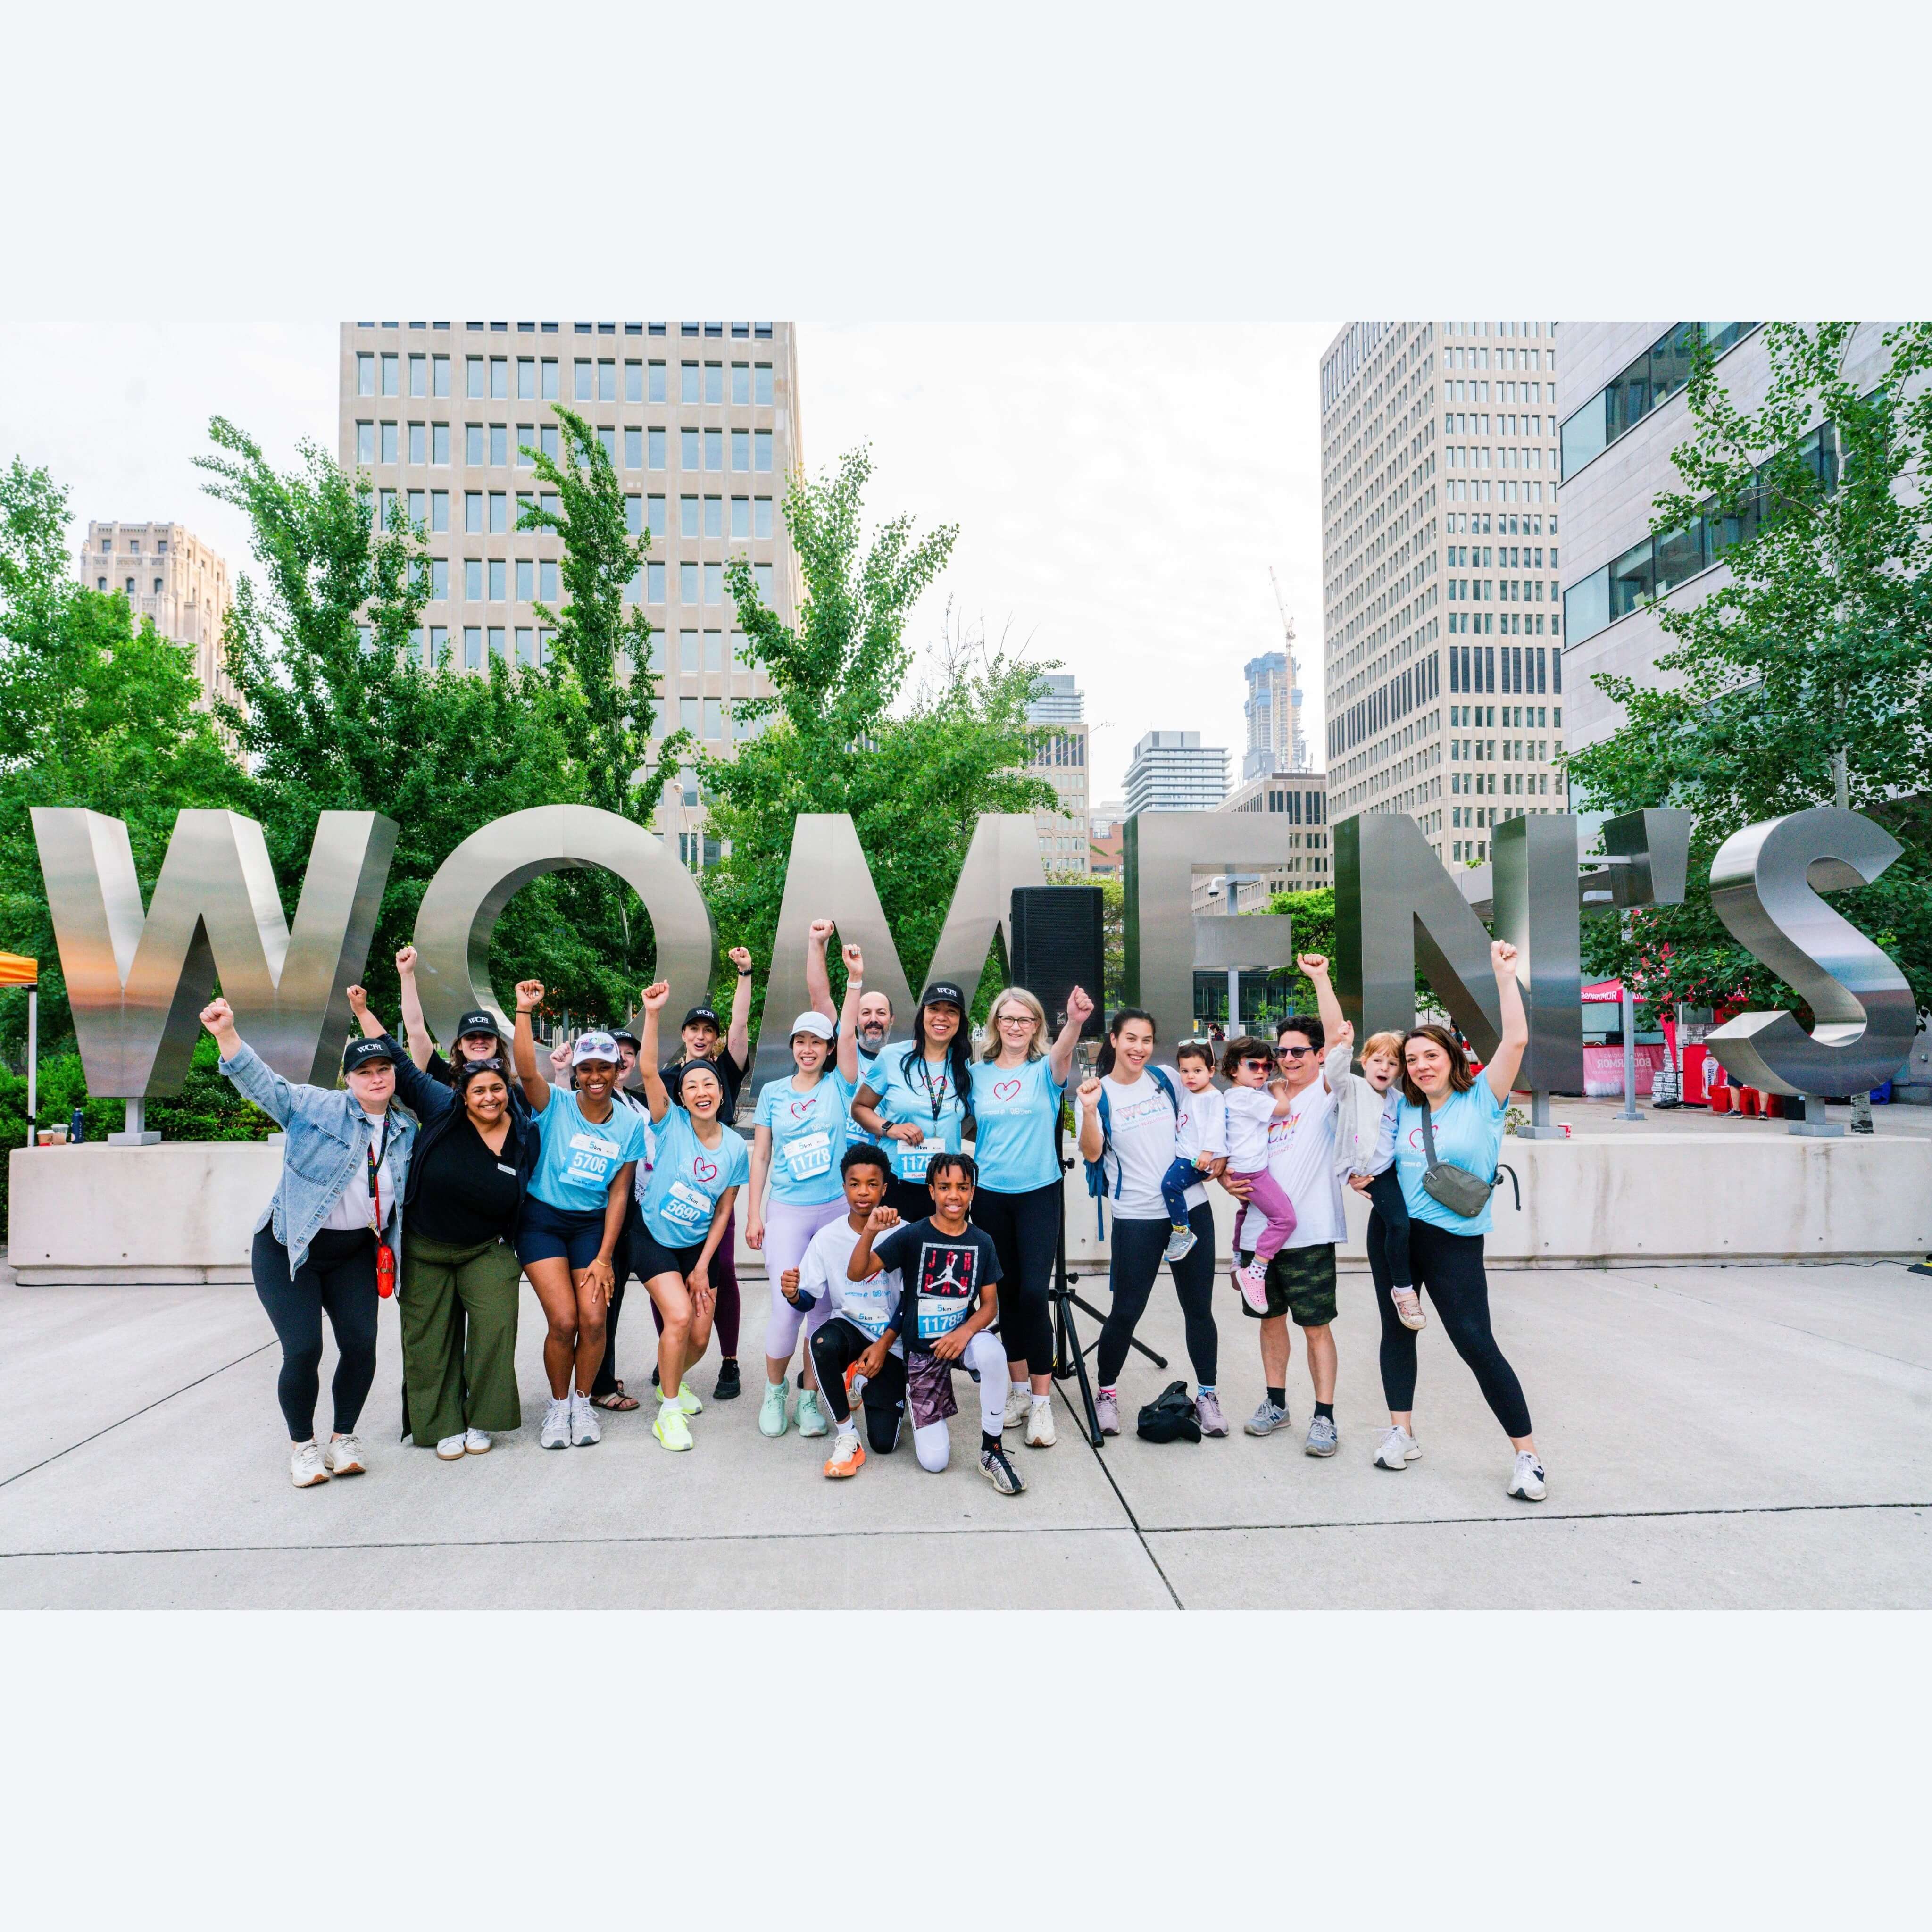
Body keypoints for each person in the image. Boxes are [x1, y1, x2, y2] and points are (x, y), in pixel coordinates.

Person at [203, 999, 415, 1489]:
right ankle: (303, 1447)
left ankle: (344, 1438)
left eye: (384, 1069)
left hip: (353, 1253)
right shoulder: (316, 1107)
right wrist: (227, 1034)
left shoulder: (405, 1129)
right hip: (289, 1249)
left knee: (360, 1346)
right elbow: (262, 1084)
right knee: (303, 1349)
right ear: (348, 1079)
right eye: (365, 1072)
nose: (376, 1078)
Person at [1369, 940, 1545, 1500]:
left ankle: (1527, 1457)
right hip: (1395, 1236)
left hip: (1454, 1241)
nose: (1420, 1066)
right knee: (1397, 1332)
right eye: (1411, 1060)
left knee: (1475, 1342)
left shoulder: (1484, 1098)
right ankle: (1401, 1432)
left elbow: (1514, 1040)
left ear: (1451, 1058)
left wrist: (1504, 976)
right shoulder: (1400, 1106)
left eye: (1430, 1056)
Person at [1075, 1010, 1226, 1438]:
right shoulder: (1096, 1093)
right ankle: (1107, 1394)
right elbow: (1092, 1153)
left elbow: (1209, 1112)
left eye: (1146, 1040)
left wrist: (1220, 1157)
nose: (1139, 1048)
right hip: (1137, 1215)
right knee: (1126, 1310)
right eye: (1131, 1038)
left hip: (1191, 1210)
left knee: (1199, 1309)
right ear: (1114, 1040)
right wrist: (1089, 1111)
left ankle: (1208, 1395)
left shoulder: (1168, 1079)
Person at [510, 983, 648, 1451]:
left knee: (593, 1320)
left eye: (603, 1067)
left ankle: (583, 1401)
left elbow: (620, 1192)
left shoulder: (630, 1124)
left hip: (592, 1226)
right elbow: (525, 1069)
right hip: (543, 1221)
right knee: (565, 1320)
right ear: (575, 1071)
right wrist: (523, 1011)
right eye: (585, 1068)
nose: (594, 1076)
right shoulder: (556, 1104)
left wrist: (606, 1257)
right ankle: (557, 1406)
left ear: (616, 1070)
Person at [846, 1152, 1025, 1495]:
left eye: (962, 1187)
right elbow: (857, 1273)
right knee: (935, 1461)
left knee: (992, 1353)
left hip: (962, 1340)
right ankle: (914, 1396)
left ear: (972, 1192)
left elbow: (990, 1306)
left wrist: (964, 1333)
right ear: (931, 1191)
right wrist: (870, 1231)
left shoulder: (982, 1241)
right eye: (944, 1187)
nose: (953, 1195)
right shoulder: (913, 1235)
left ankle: (992, 1449)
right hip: (923, 1352)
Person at [386, 1048, 534, 1457]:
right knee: (427, 1341)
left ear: (508, 1090)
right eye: (479, 1091)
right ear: (464, 1096)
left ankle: (482, 1418)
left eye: (497, 1089)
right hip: (424, 1248)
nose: (489, 1097)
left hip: (486, 1247)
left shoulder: (526, 1134)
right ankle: (441, 1425)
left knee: (496, 1328)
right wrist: (363, 1016)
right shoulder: (442, 1109)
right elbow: (403, 1066)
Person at [966, 982, 1092, 1448]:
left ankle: (1042, 1401)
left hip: (1038, 1194)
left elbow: (1064, 1051)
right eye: (1008, 1018)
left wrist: (1074, 1020)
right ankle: (1019, 1392)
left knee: (1034, 1295)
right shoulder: (976, 1074)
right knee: (1006, 1295)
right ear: (996, 1023)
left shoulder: (1045, 1070)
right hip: (989, 1195)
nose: (1016, 1026)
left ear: (1037, 1024)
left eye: (1025, 1019)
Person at [1219, 1004, 1348, 1455]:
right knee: (1270, 1323)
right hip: (1260, 1237)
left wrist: (1321, 979)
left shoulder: (1326, 1091)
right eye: (1282, 1051)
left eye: (1299, 1051)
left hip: (1309, 1234)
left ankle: (1324, 1417)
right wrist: (1224, 1177)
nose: (1288, 1059)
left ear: (1318, 1055)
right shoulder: (1255, 1096)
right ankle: (1276, 1405)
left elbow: (1339, 1039)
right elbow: (1229, 1150)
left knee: (1315, 1327)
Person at [630, 982, 750, 1450]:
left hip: (697, 1245)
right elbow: (647, 1069)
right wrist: (652, 1013)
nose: (701, 1092)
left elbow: (724, 1210)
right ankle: (668, 1412)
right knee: (679, 1317)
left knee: (699, 1338)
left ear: (721, 1093)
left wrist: (702, 1266)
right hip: (653, 1237)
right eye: (691, 1087)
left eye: (709, 1085)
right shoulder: (670, 1122)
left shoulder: (735, 1147)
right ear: (680, 1096)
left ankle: (670, 1382)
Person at [749, 966, 867, 1439]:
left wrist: (854, 982)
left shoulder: (840, 1085)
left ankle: (809, 1398)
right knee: (788, 1306)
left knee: (822, 1311)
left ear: (828, 1048)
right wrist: (754, 1215)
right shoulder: (773, 1094)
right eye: (801, 1041)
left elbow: (850, 1032)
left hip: (834, 1211)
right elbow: (761, 1155)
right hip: (787, 1212)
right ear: (793, 1046)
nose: (809, 1049)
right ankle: (774, 1391)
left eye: (817, 1042)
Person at [1296, 956, 1423, 1332]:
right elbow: (1335, 1072)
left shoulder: (1399, 1100)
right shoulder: (1351, 1088)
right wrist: (1344, 1047)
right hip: (1374, 1174)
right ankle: (1404, 1290)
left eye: (1393, 1064)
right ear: (1365, 1062)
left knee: (1399, 1226)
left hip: (1399, 1172)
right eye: (1378, 1061)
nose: (1385, 1069)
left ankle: (1404, 1282)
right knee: (1399, 1224)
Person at [654, 944, 756, 1399]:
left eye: (707, 1030)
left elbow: (740, 1026)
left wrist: (745, 975)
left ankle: (729, 1360)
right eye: (693, 1029)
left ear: (715, 1038)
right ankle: (670, 1351)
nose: (700, 1035)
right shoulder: (670, 1079)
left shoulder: (725, 1072)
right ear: (683, 1034)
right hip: (676, 1190)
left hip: (718, 1188)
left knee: (724, 1270)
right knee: (670, 1278)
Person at [789, 1145, 907, 1477]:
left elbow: (912, 1300)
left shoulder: (904, 1231)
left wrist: (883, 1345)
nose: (863, 1192)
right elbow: (808, 1300)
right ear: (844, 1187)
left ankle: (863, 1381)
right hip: (850, 1326)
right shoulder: (827, 1237)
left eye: (872, 1184)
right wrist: (793, 1294)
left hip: (890, 1337)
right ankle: (847, 1435)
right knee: (821, 1342)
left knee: (884, 1443)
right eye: (855, 1184)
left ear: (885, 1188)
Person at [852, 979, 973, 1224]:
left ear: (960, 1020)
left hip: (945, 1188)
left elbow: (967, 1120)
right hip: (897, 1182)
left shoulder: (963, 1065)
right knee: (894, 1249)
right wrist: (891, 1128)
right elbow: (860, 1108)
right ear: (923, 1015)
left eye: (951, 1011)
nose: (942, 1017)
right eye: (934, 1009)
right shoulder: (892, 1057)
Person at [590, 1025, 656, 1412]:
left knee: (612, 1303)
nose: (625, 1059)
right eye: (618, 1053)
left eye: (629, 1053)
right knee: (602, 1302)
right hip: (604, 1214)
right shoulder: (598, 1104)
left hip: (636, 1214)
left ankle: (602, 1375)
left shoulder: (634, 1102)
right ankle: (598, 1384)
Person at [1219, 1036, 1298, 1310]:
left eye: (1268, 1067)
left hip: (1241, 1169)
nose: (1262, 1072)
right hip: (1252, 1172)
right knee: (1285, 1219)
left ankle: (1237, 1258)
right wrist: (1276, 1088)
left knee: (1246, 1211)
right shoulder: (1246, 1097)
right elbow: (1283, 1108)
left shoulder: (1236, 1095)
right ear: (1233, 1069)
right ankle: (1255, 1271)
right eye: (1253, 1066)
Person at [808, 926, 891, 1142]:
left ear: (892, 1020)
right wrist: (816, 943)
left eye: (881, 1013)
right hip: (841, 1157)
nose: (873, 1019)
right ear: (854, 1019)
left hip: (885, 1159)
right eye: (866, 1013)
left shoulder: (901, 1061)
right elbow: (820, 1000)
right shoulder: (843, 1049)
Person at [1156, 1040, 1226, 1261]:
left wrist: (1208, 1153)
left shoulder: (1213, 1097)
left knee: (1170, 1186)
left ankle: (1182, 1232)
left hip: (1197, 1159)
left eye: (1197, 1071)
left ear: (1211, 1071)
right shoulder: (1189, 1093)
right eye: (1185, 1071)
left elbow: (1217, 1126)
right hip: (1187, 1156)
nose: (1190, 1077)